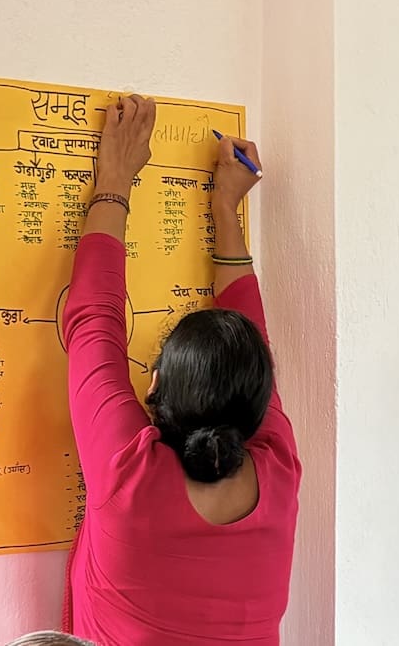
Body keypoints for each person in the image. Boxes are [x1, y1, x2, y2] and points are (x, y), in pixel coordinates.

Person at [60, 95, 300, 644]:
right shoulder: (278, 473)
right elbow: (244, 354)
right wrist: (225, 211)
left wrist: (115, 180)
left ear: (154, 388)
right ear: (259, 404)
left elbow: (95, 319)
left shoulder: (131, 476)